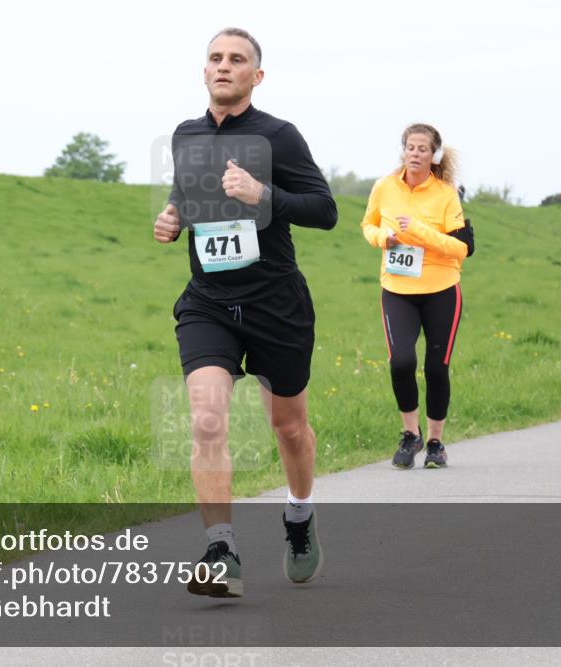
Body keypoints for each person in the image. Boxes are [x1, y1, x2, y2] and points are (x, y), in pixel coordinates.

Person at [153, 27, 337, 597]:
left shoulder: (280, 136)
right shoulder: (185, 135)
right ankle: (221, 550)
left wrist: (265, 196)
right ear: (202, 71)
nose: (223, 66)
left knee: (289, 427)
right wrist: (173, 215)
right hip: (208, 301)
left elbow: (325, 210)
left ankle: (300, 518)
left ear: (256, 76)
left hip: (276, 302)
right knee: (206, 419)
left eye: (237, 60)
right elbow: (191, 195)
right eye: (215, 58)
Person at [360, 124, 472, 469]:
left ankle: (436, 443)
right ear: (403, 150)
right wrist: (383, 238)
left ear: (434, 155)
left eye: (423, 149)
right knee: (401, 362)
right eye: (410, 147)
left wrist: (419, 232)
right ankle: (411, 435)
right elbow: (368, 225)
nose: (415, 153)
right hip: (397, 289)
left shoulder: (446, 193)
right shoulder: (384, 186)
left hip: (441, 290)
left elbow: (461, 248)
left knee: (436, 368)